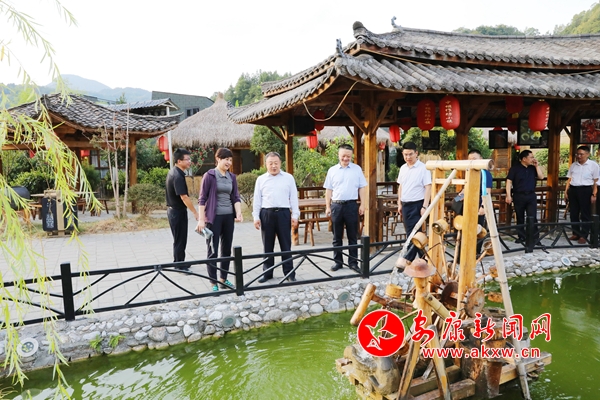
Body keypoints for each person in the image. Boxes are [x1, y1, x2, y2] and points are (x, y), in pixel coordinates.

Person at [197, 148, 243, 292]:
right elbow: (202, 199)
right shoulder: (209, 175)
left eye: (230, 160)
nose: (229, 162)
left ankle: (223, 279)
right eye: (226, 159)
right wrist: (201, 220)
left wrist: (239, 213)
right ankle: (213, 282)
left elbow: (235, 197)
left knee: (226, 249)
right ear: (218, 159)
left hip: (228, 217)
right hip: (213, 218)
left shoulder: (232, 177)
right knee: (213, 250)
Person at [252, 152, 300, 283]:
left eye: (276, 163)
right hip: (266, 213)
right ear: (266, 164)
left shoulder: (288, 178)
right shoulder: (261, 179)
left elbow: (294, 198)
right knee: (267, 245)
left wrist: (295, 215)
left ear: (280, 163)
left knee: (286, 245)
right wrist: (256, 216)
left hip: (283, 213)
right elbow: (257, 200)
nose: (273, 166)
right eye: (270, 163)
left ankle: (289, 273)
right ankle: (267, 273)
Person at [324, 144, 367, 271]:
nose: (345, 158)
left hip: (351, 205)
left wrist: (363, 204)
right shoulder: (332, 170)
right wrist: (328, 206)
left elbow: (362, 188)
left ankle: (353, 262)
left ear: (351, 156)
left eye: (348, 156)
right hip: (336, 205)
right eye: (343, 156)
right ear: (338, 155)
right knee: (336, 236)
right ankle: (338, 262)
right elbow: (328, 190)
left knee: (352, 236)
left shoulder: (357, 169)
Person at [165, 148, 199, 267]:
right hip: (177, 211)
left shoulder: (174, 172)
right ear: (179, 161)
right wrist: (195, 212)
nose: (190, 161)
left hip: (174, 211)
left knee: (179, 238)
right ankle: (179, 264)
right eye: (187, 159)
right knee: (180, 238)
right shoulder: (177, 176)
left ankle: (179, 261)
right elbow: (184, 197)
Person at [505, 150, 544, 244]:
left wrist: (537, 166)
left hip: (531, 195)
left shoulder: (532, 168)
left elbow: (541, 177)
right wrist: (508, 195)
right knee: (520, 217)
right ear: (524, 159)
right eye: (531, 157)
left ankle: (535, 238)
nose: (533, 159)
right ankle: (521, 236)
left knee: (533, 217)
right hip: (519, 195)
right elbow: (509, 182)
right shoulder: (515, 169)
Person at [565, 145, 599, 244]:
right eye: (577, 154)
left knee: (585, 213)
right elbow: (569, 179)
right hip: (573, 189)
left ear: (587, 154)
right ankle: (575, 233)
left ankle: (584, 235)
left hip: (585, 190)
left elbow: (596, 180)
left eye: (581, 154)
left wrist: (594, 194)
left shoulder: (593, 165)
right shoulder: (573, 165)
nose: (579, 156)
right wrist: (566, 191)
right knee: (573, 213)